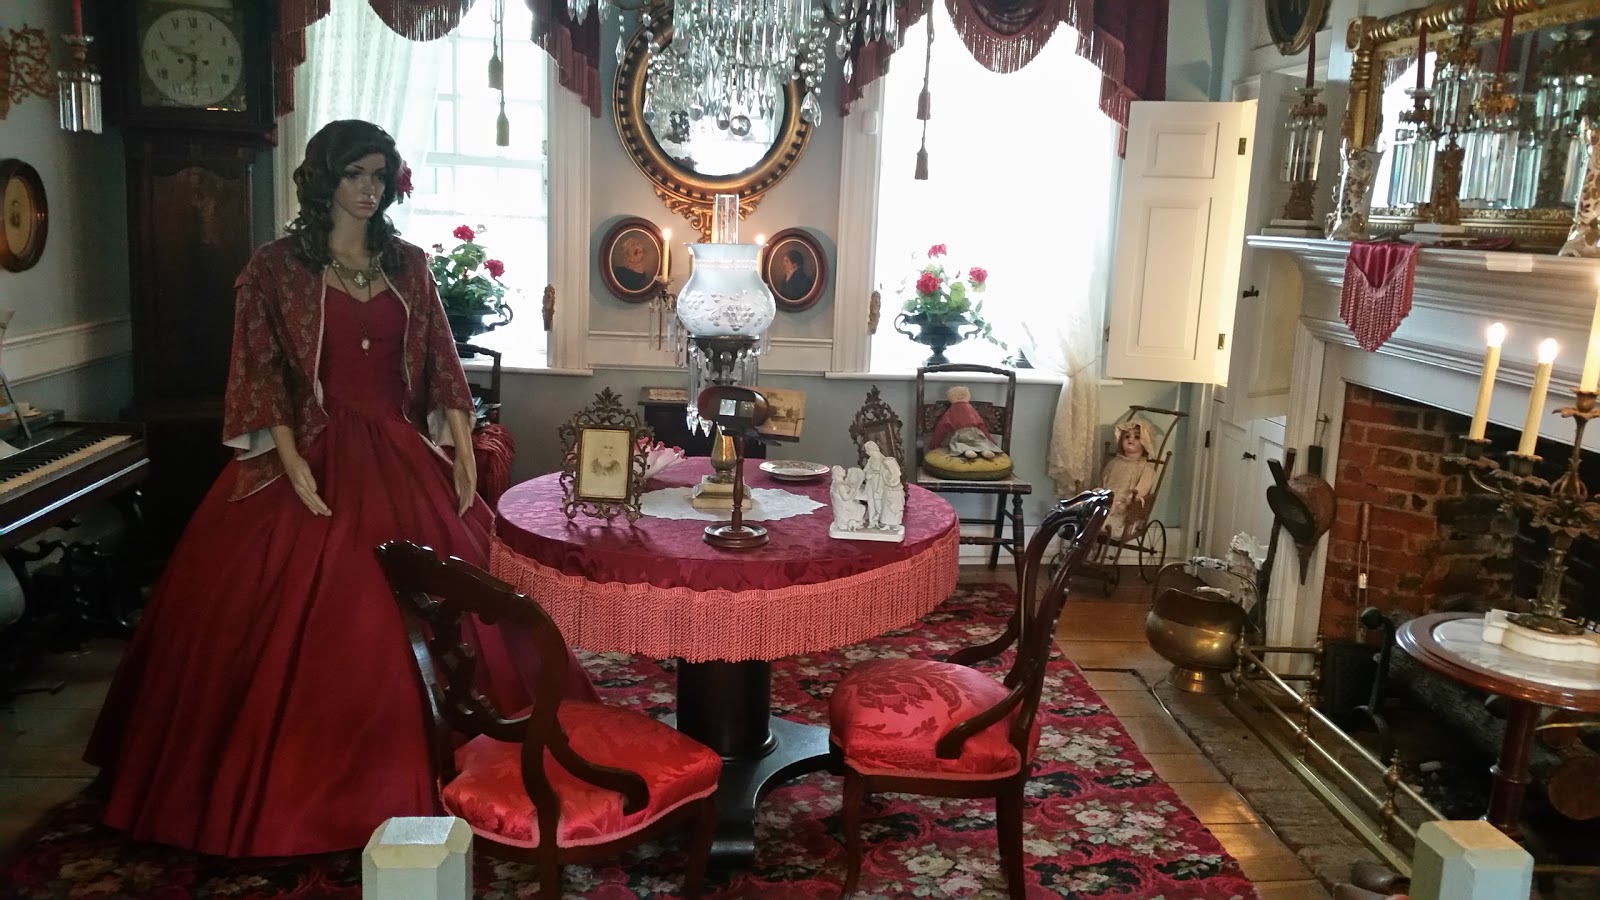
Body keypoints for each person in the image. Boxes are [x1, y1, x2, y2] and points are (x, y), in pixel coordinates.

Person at [84, 119, 599, 859]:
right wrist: (290, 459)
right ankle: (304, 794)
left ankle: (489, 756)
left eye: (379, 176)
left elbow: (441, 361)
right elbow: (259, 372)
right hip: (310, 456)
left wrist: (460, 447)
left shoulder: (408, 264)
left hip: (400, 451)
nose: (368, 189)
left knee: (466, 596)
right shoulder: (273, 269)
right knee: (306, 609)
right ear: (324, 179)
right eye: (355, 174)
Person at [1099, 417, 1159, 540]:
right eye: (1126, 436)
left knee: (1107, 523)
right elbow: (1103, 481)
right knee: (1092, 514)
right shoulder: (1114, 463)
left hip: (1125, 511)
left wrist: (1128, 502)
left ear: (1145, 442)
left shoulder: (1146, 469)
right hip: (1107, 502)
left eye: (1137, 437)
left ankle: (1100, 526)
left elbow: (1142, 489)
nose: (1130, 439)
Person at [930, 385, 1003, 459]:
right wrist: (992, 441)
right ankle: (980, 450)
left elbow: (942, 427)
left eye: (962, 395)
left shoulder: (952, 411)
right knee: (976, 442)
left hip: (964, 434)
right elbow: (981, 425)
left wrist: (934, 444)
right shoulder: (968, 409)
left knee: (964, 443)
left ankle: (975, 451)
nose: (959, 397)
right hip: (971, 433)